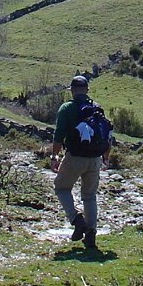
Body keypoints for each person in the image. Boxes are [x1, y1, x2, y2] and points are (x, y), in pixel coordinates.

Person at [49, 74, 111, 250]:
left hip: (75, 157)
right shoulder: (97, 108)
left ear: (72, 90)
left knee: (61, 187)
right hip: (95, 158)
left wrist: (54, 156)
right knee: (89, 196)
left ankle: (77, 220)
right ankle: (91, 234)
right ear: (87, 90)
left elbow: (59, 135)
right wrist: (106, 158)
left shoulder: (67, 108)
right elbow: (107, 136)